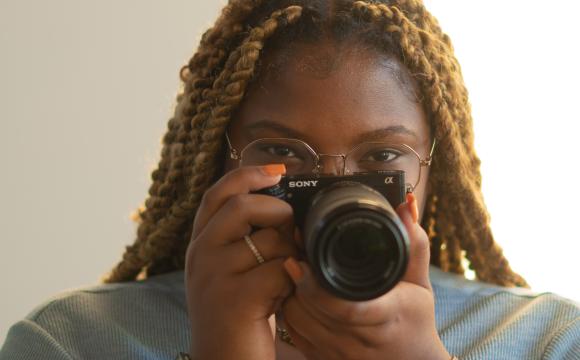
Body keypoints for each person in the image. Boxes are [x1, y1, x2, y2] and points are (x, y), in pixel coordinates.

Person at [1, 0, 579, 359]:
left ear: (435, 166)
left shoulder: (548, 340)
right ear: (217, 160)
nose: (333, 187)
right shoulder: (72, 342)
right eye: (283, 152)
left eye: (381, 158)